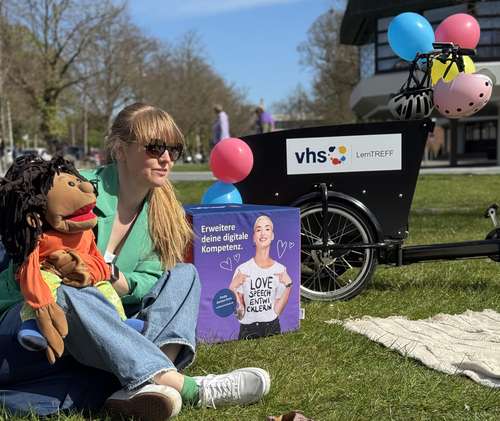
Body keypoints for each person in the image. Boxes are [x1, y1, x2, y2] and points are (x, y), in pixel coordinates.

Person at [0, 102, 271, 420]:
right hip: (33, 322)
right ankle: (182, 385)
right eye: (155, 147)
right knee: (68, 293)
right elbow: (21, 266)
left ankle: (146, 383)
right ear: (119, 149)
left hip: (106, 324)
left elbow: (152, 277)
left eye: (174, 149)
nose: (166, 158)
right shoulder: (72, 191)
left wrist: (115, 277)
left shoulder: (163, 211)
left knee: (185, 275)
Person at [229, 215, 292, 340]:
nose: (263, 233)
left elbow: (277, 311)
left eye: (267, 229)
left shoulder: (280, 270)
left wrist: (288, 286)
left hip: (272, 327)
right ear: (254, 237)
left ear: (272, 235)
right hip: (248, 329)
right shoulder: (242, 270)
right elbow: (240, 315)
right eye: (258, 230)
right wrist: (232, 288)